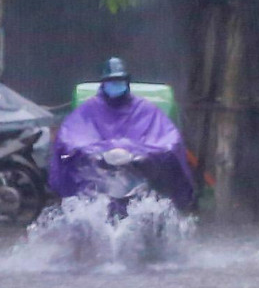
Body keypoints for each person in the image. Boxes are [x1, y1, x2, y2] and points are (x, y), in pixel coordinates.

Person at [49, 57, 195, 209]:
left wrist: (146, 154)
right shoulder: (89, 109)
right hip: (97, 177)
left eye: (119, 80)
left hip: (141, 173)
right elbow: (70, 137)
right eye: (111, 81)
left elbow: (168, 138)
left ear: (127, 81)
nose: (115, 85)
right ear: (103, 82)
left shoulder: (144, 109)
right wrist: (90, 153)